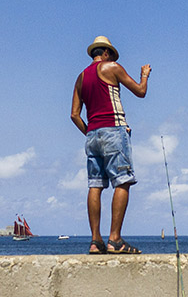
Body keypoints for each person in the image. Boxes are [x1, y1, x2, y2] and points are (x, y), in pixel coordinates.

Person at [70, 36, 150, 255]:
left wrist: (91, 132)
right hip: (114, 129)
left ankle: (96, 241)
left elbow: (74, 115)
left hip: (92, 134)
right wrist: (144, 75)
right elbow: (141, 92)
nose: (112, 58)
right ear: (105, 53)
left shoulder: (80, 78)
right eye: (111, 54)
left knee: (95, 185)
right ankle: (115, 239)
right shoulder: (112, 68)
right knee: (122, 182)